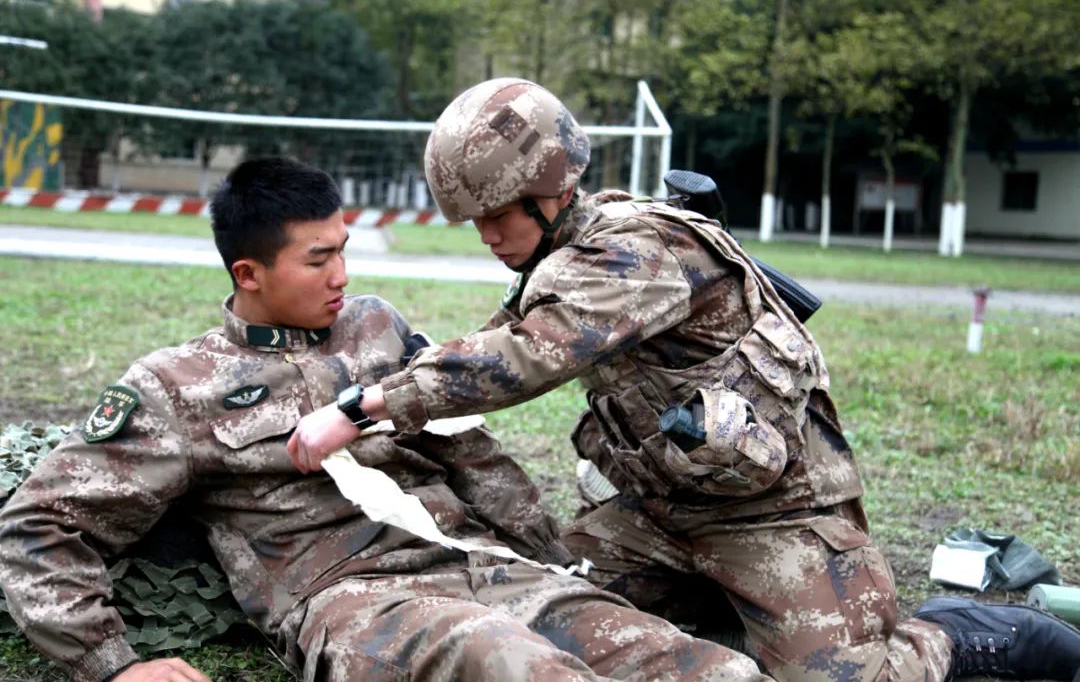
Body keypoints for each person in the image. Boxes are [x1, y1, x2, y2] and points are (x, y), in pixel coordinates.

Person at [286, 79, 1080, 682]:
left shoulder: (632, 252)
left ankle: (959, 630)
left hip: (770, 514)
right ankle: (717, 605)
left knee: (845, 677)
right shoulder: (561, 257)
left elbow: (525, 357)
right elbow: (498, 336)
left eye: (499, 216)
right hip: (658, 513)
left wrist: (364, 406)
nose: (490, 238)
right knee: (559, 613)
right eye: (478, 222)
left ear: (551, 187)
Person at [0, 157, 769, 682]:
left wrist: (549, 560)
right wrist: (114, 663)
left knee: (690, 663)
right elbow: (39, 525)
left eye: (343, 249)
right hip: (356, 600)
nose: (342, 276)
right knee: (514, 664)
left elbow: (472, 454)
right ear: (249, 274)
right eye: (316, 260)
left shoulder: (378, 329)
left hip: (476, 567)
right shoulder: (177, 387)